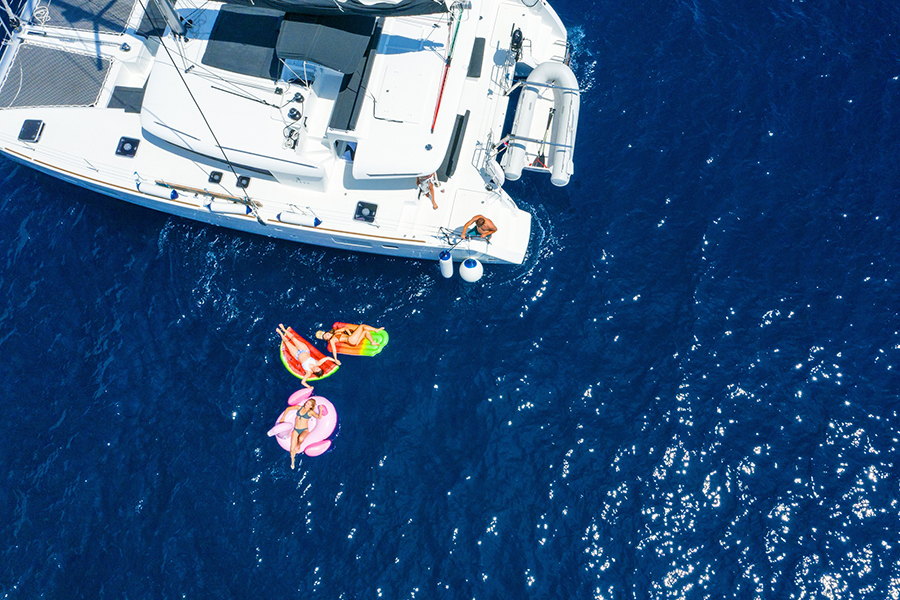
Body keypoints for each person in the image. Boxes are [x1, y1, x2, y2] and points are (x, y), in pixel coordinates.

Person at [276, 399, 323, 469]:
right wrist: (283, 417)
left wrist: (320, 409)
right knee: (292, 449)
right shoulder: (299, 407)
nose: (306, 404)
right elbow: (288, 408)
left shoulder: (310, 412)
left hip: (304, 430)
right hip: (296, 429)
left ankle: (298, 445)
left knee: (300, 438)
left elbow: (319, 417)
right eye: (307, 403)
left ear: (311, 406)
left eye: (309, 404)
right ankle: (292, 461)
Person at [316, 324, 384, 362]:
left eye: (326, 334)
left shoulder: (336, 332)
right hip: (351, 340)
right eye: (326, 337)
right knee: (362, 326)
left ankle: (372, 342)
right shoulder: (332, 340)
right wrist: (336, 359)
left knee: (365, 332)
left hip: (354, 342)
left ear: (327, 332)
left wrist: (349, 334)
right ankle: (376, 330)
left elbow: (345, 329)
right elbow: (334, 350)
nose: (327, 335)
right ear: (327, 339)